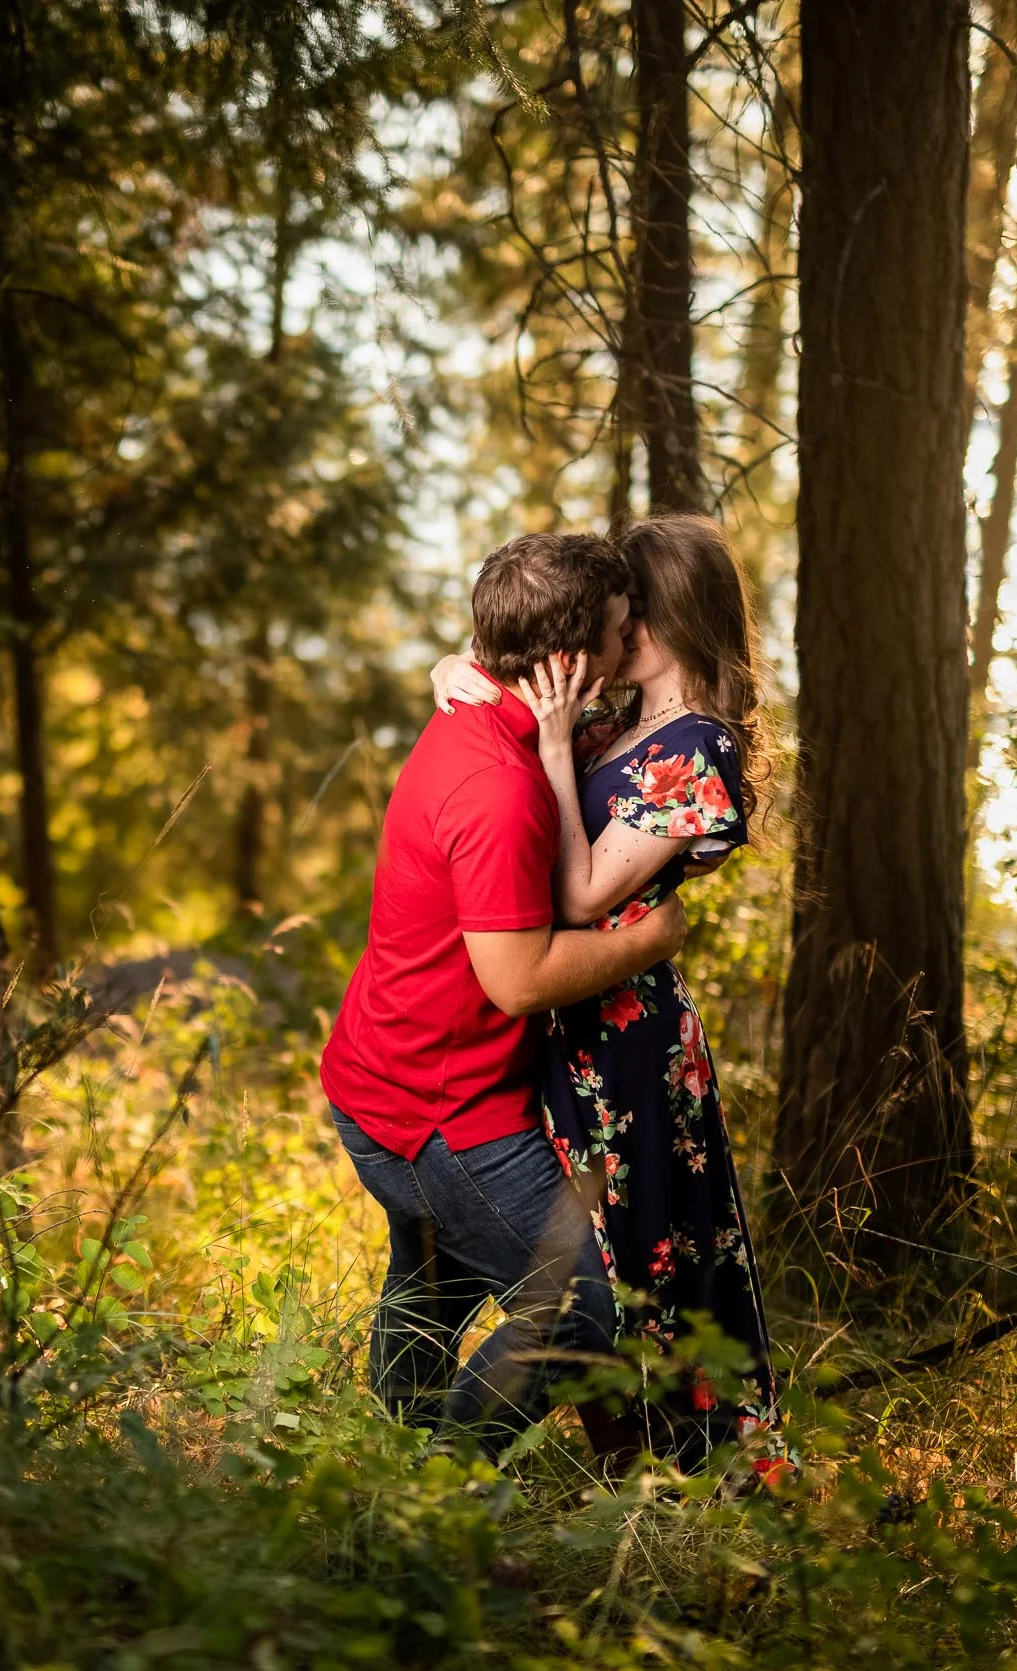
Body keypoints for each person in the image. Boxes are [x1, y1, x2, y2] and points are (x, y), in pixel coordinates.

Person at [321, 530, 690, 1457]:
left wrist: (453, 663)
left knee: (434, 1280)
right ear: (565, 660)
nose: (630, 638)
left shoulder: (485, 711)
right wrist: (646, 939)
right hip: (437, 1113)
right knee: (586, 1313)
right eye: (618, 629)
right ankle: (443, 1485)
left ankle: (389, 1456)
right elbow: (518, 979)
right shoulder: (499, 788)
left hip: (385, 1077)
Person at [432, 514, 780, 1471]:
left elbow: (584, 893)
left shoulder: (698, 747)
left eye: (632, 615)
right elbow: (504, 678)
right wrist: (450, 671)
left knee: (635, 1244)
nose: (614, 632)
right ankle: (628, 1464)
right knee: (593, 1243)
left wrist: (552, 753)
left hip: (625, 1038)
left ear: (672, 619)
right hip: (561, 1016)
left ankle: (687, 1460)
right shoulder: (617, 721)